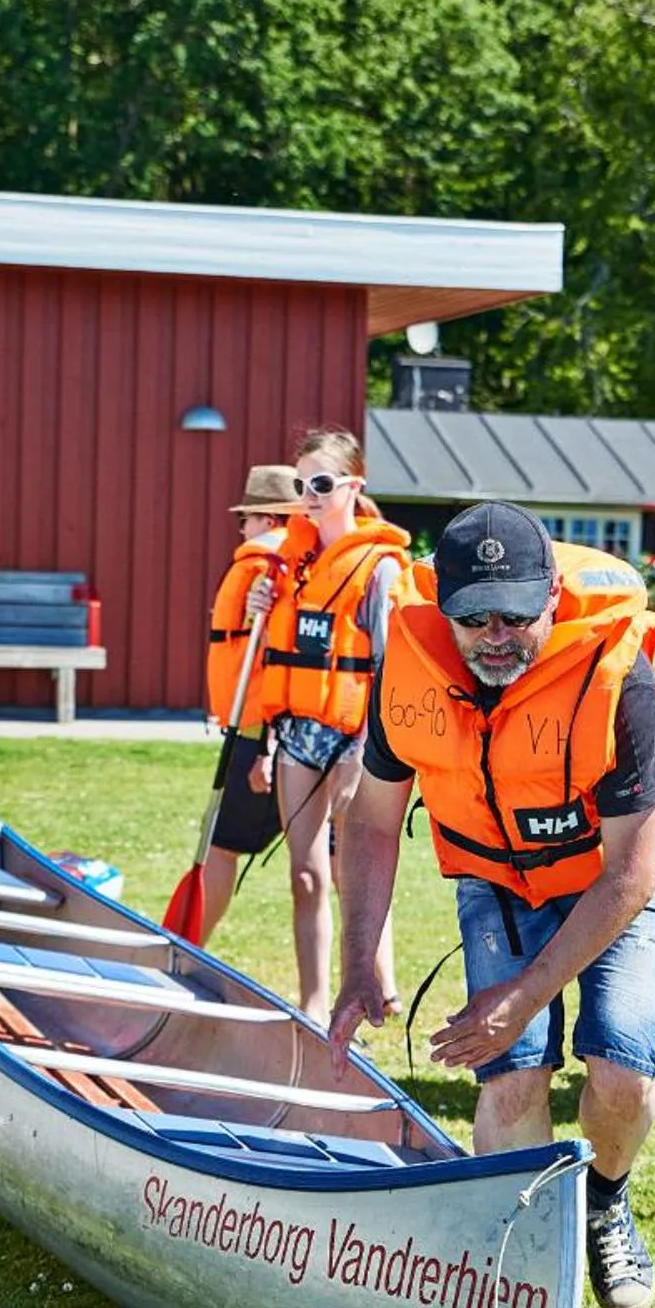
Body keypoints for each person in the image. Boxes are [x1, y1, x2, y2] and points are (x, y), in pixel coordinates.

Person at [328, 502, 655, 1308]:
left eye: (516, 616)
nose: (496, 635)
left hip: (614, 886)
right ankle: (522, 1263)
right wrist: (359, 961)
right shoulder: (410, 667)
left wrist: (523, 995)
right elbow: (371, 819)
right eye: (472, 618)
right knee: (509, 1078)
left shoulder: (619, 675)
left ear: (555, 596)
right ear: (443, 604)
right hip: (498, 880)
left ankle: (605, 1200)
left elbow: (631, 869)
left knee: (623, 1071)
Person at [239, 428, 406, 1023]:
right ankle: (311, 1000)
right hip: (296, 736)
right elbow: (269, 656)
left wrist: (367, 750)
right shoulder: (291, 562)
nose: (310, 494)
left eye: (322, 483)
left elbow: (391, 669)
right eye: (301, 483)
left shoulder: (380, 568)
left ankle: (375, 983)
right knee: (305, 874)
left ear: (353, 486)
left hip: (356, 739)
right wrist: (263, 605)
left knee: (350, 871)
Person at [196, 464, 301, 933]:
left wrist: (264, 743)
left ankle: (191, 939)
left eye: (248, 518)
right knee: (334, 860)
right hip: (288, 731)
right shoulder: (303, 566)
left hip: (260, 730)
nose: (242, 528)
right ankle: (381, 976)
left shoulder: (267, 570)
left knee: (219, 846)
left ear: (270, 520)